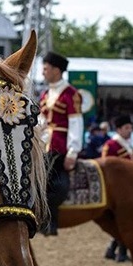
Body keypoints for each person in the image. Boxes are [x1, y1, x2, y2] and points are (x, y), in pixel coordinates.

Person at [37, 51, 83, 236]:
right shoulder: (46, 94)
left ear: (56, 70)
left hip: (60, 147)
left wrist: (73, 151)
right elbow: (41, 120)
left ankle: (51, 220)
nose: (43, 72)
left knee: (57, 183)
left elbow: (75, 123)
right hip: (44, 145)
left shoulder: (71, 94)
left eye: (46, 68)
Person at [102, 114, 133, 262]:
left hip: (128, 187)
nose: (130, 130)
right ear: (119, 129)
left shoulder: (127, 145)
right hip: (117, 190)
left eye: (131, 128)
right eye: (127, 128)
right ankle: (120, 253)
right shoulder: (111, 145)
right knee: (125, 221)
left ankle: (111, 250)